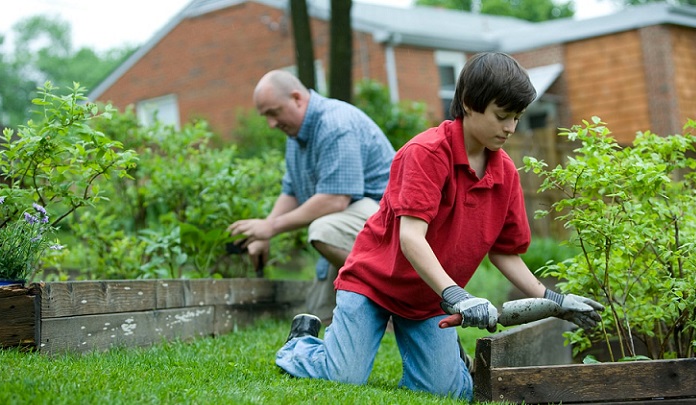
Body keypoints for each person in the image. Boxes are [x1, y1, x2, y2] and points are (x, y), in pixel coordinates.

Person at [274, 52, 604, 400]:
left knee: (448, 391)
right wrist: (459, 296)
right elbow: (411, 238)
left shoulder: (504, 173)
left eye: (517, 118)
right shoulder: (426, 153)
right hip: (373, 285)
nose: (510, 128)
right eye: (502, 116)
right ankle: (302, 343)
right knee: (343, 377)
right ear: (468, 104)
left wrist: (556, 300)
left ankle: (447, 362)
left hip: (430, 299)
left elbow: (505, 254)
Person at [227, 70, 396, 323]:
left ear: (297, 98)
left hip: (390, 225)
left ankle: (392, 300)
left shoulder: (335, 124)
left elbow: (335, 199)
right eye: (266, 117)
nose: (271, 124)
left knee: (323, 230)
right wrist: (262, 233)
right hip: (353, 226)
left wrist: (272, 227)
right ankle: (370, 305)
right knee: (317, 316)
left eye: (273, 113)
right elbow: (291, 191)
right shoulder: (296, 136)